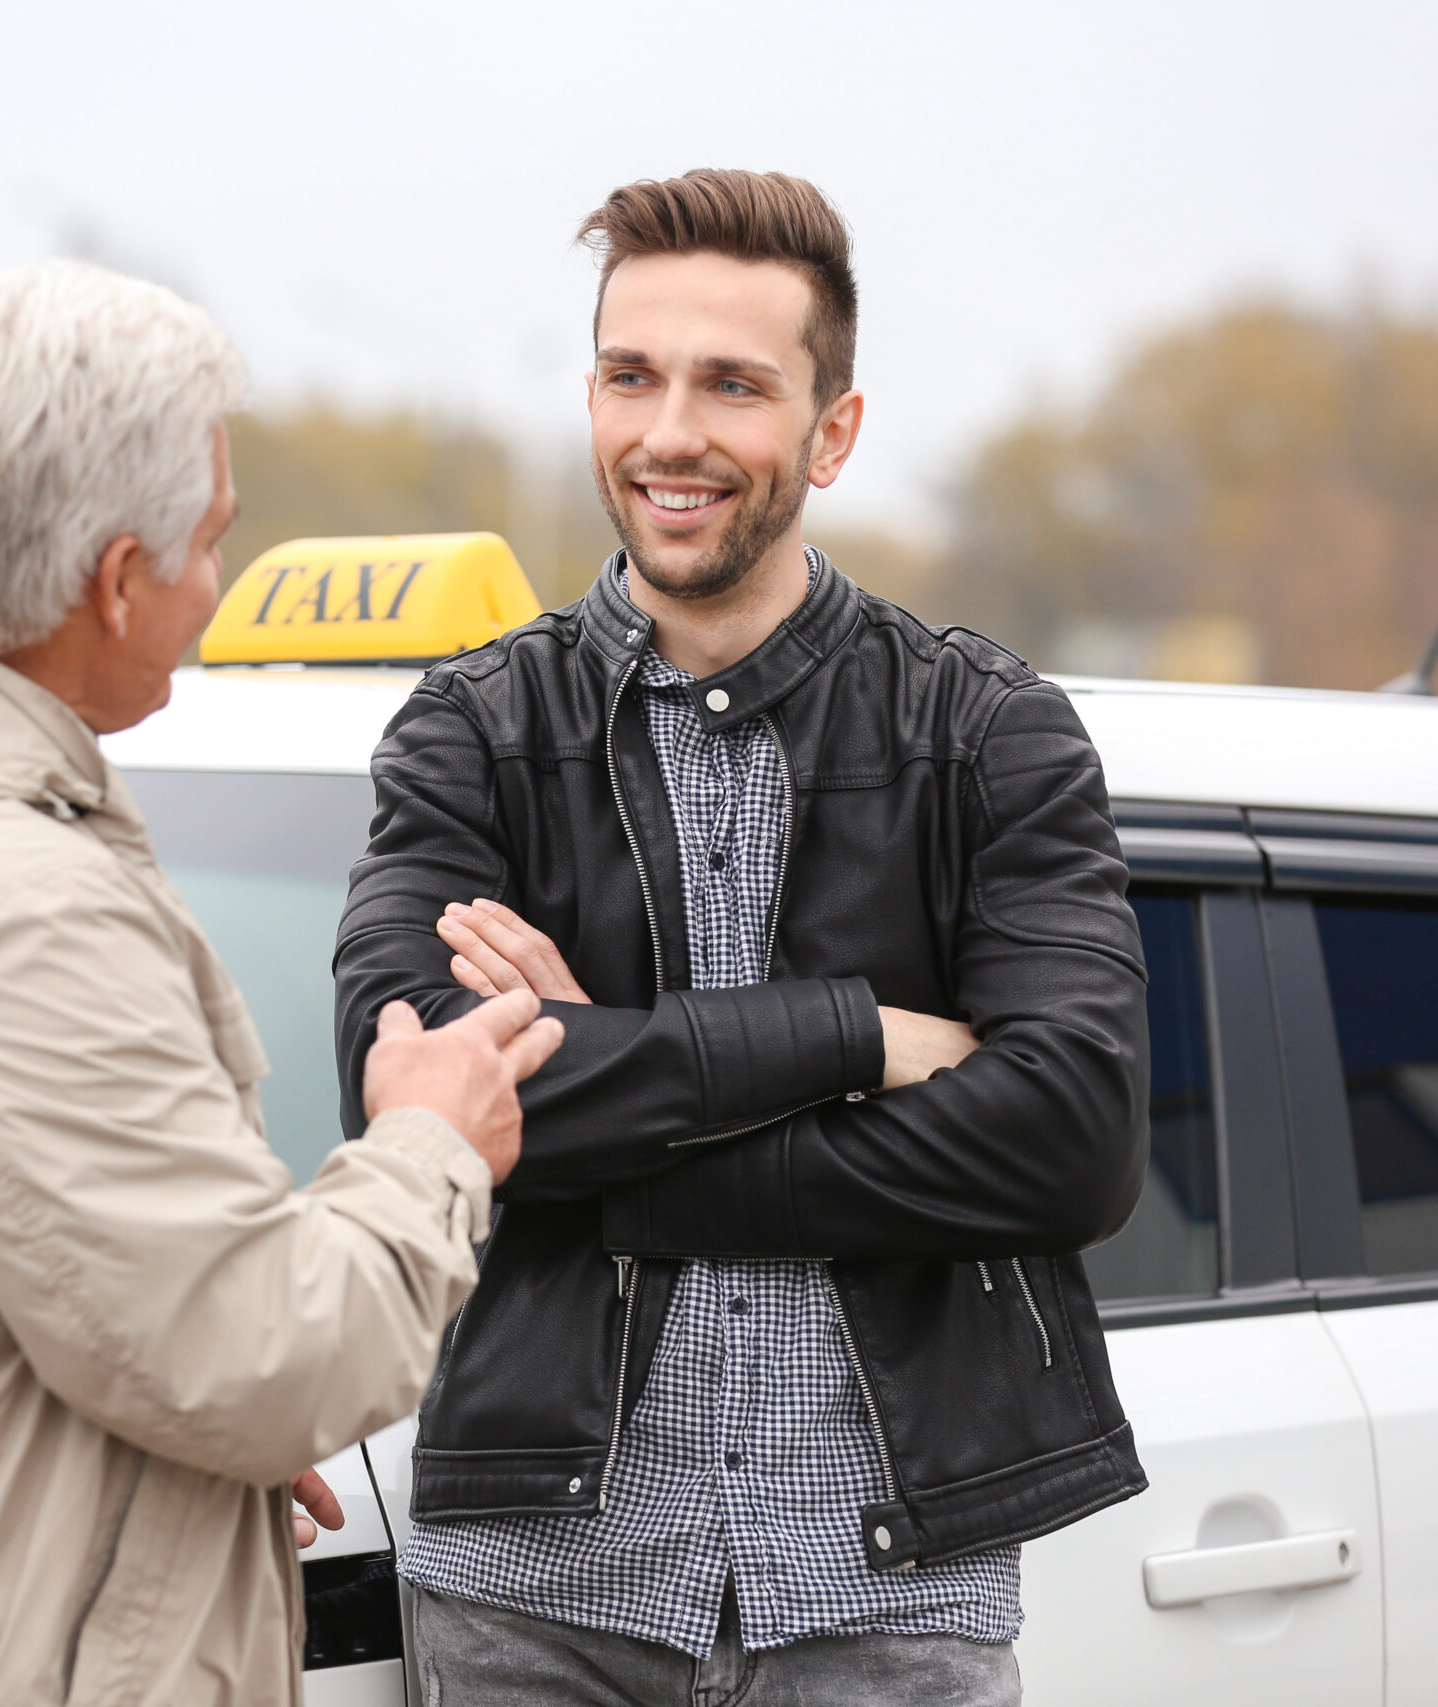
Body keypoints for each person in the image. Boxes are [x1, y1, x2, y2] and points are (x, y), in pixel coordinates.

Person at [0, 260, 564, 1707]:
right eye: (208, 542)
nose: (215, 587)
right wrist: (433, 1142)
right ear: (117, 580)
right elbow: (264, 1352)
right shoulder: (9, 917)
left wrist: (160, 1478)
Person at [334, 170, 1151, 1705]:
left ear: (832, 431)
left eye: (734, 386)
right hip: (533, 1599)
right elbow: (410, 1090)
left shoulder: (987, 736)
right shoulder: (471, 732)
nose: (670, 435)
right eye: (631, 377)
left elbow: (1073, 1140)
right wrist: (859, 1038)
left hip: (880, 1586)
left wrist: (605, 1107)